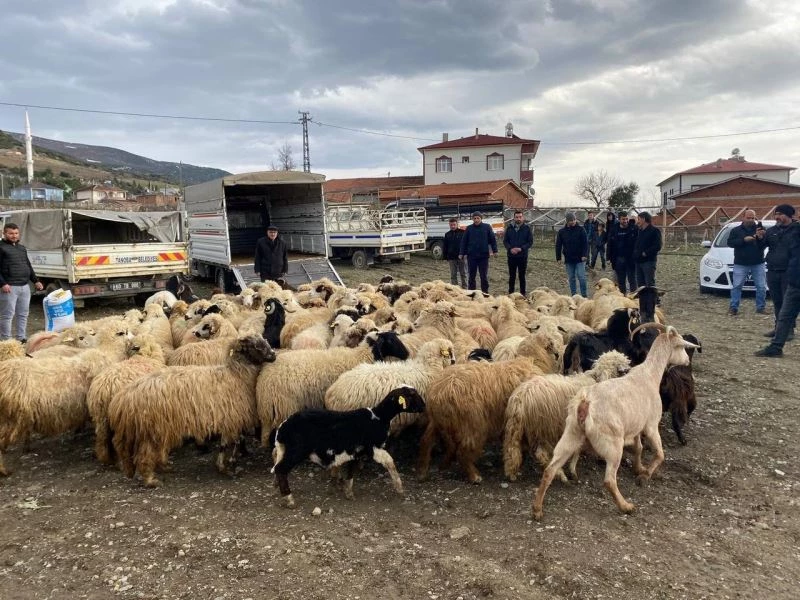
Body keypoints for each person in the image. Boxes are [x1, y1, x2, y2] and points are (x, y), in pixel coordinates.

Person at [755, 217, 800, 357]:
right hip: (794, 281)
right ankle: (776, 347)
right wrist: (761, 238)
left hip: (791, 278)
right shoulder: (793, 231)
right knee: (784, 314)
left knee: (785, 313)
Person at [0, 223, 44, 342]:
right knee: (7, 315)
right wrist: (2, 283)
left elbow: (28, 265)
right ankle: (6, 341)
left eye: (16, 233)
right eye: (11, 233)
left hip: (25, 286)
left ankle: (21, 338)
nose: (14, 236)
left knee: (23, 314)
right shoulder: (1, 247)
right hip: (9, 287)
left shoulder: (21, 248)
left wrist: (36, 281)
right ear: (4, 233)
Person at [763, 204, 797, 337]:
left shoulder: (797, 230)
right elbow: (761, 246)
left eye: (780, 214)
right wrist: (759, 238)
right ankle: (778, 328)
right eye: (776, 214)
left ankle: (789, 330)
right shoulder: (771, 231)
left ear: (789, 216)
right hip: (772, 271)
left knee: (788, 303)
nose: (777, 217)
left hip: (789, 272)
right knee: (777, 301)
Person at [726, 209, 767, 316]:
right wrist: (743, 240)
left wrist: (760, 238)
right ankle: (733, 307)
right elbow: (730, 243)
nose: (750, 220)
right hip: (741, 262)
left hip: (758, 262)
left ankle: (761, 307)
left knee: (761, 286)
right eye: (748, 217)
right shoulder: (736, 230)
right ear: (743, 217)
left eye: (753, 218)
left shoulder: (760, 229)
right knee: (737, 286)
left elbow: (765, 244)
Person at [459, 212, 498, 294]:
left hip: (483, 256)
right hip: (472, 256)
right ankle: (472, 293)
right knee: (471, 276)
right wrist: (461, 253)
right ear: (472, 219)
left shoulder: (487, 227)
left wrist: (495, 251)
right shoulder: (469, 228)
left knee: (483, 276)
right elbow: (464, 241)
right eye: (475, 218)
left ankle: (485, 293)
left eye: (478, 218)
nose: (476, 220)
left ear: (481, 218)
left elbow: (492, 240)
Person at [556, 212, 588, 296]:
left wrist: (584, 255)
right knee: (571, 278)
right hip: (569, 258)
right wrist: (558, 258)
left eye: (574, 219)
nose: (573, 221)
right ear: (567, 221)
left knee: (581, 277)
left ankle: (584, 295)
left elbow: (585, 243)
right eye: (571, 220)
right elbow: (558, 245)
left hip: (580, 258)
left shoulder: (581, 230)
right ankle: (574, 295)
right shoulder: (562, 232)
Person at [606, 211, 638, 294]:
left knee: (632, 280)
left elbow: (638, 243)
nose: (625, 221)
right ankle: (623, 297)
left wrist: (636, 254)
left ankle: (634, 297)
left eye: (627, 219)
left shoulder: (634, 228)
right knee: (621, 281)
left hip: (631, 258)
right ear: (619, 219)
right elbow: (610, 244)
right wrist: (608, 257)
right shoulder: (614, 229)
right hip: (618, 259)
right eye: (623, 219)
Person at [504, 210, 533, 295]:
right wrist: (510, 249)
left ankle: (522, 294)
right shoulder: (509, 228)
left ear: (523, 218)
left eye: (520, 217)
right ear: (514, 218)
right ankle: (511, 293)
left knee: (522, 276)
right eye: (516, 217)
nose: (518, 219)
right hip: (511, 256)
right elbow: (505, 241)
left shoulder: (527, 228)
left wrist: (521, 248)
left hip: (522, 256)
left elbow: (530, 242)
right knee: (512, 276)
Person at [633, 211, 662, 287]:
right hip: (638, 261)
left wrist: (645, 253)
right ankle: (643, 295)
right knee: (640, 285)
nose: (637, 221)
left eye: (639, 219)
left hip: (648, 262)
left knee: (649, 284)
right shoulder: (640, 231)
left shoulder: (654, 231)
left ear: (644, 219)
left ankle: (652, 295)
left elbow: (658, 246)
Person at [443, 218, 466, 288]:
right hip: (451, 258)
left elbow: (466, 244)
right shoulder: (447, 234)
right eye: (451, 225)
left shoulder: (463, 232)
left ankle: (465, 287)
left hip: (461, 256)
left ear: (457, 224)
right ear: (449, 225)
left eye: (454, 225)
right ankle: (455, 288)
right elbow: (445, 246)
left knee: (463, 273)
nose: (453, 226)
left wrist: (465, 254)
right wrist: (445, 257)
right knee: (453, 274)